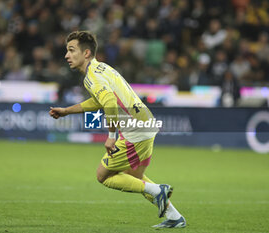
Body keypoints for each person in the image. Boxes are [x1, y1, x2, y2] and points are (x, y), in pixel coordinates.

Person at [49, 31, 186, 228]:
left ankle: (158, 191)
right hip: (145, 124)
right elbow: (99, 101)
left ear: (86, 53)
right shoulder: (101, 68)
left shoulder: (92, 77)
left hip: (134, 129)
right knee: (134, 178)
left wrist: (111, 136)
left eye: (71, 50)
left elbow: (110, 102)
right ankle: (175, 217)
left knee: (102, 175)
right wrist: (67, 111)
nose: (66, 55)